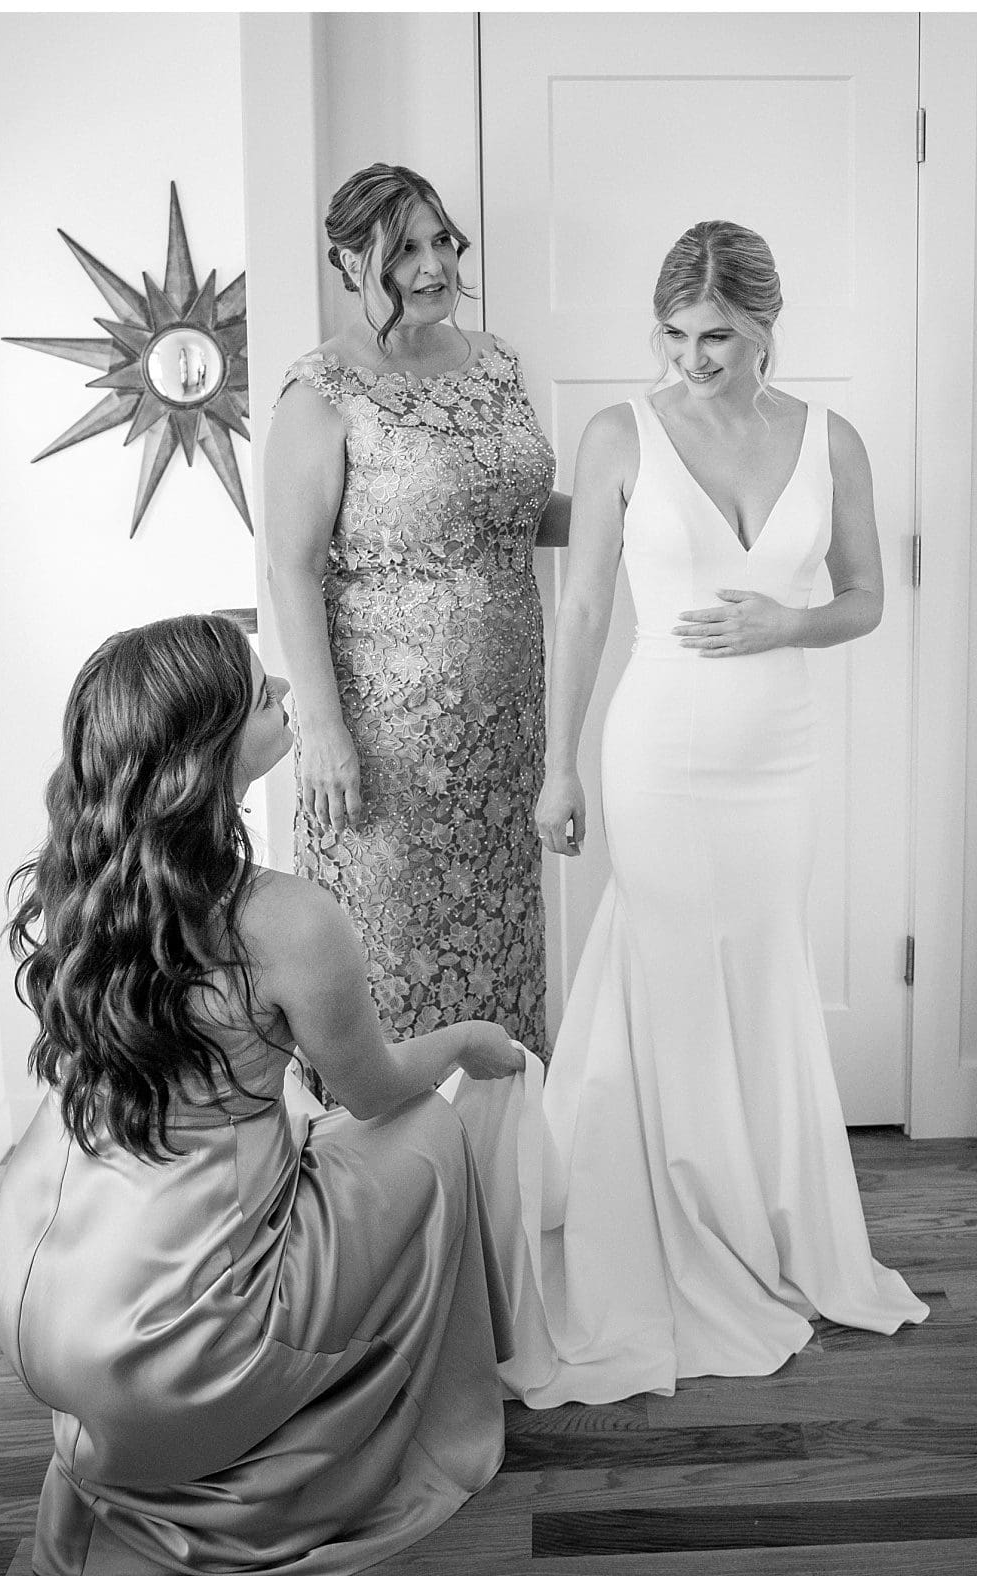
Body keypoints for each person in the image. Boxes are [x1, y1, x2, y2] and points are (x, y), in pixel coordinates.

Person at [0, 613, 532, 1575]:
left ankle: (193, 1428)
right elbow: (375, 1090)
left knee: (295, 1129)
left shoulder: (82, 880)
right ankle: (400, 1409)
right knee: (430, 1133)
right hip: (175, 1338)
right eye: (260, 690)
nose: (283, 692)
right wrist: (469, 1040)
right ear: (205, 754)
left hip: (36, 1286)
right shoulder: (286, 917)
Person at [516, 221, 926, 1406]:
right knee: (674, 973)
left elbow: (863, 599)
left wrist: (783, 624)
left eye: (723, 338)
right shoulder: (619, 435)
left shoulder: (829, 438)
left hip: (781, 757)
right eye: (680, 335)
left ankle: (770, 1222)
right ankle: (675, 1224)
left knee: (763, 970)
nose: (696, 357)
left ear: (766, 329)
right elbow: (585, 607)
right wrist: (561, 765)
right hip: (660, 753)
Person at [265, 164, 567, 1077]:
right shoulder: (322, 390)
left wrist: (638, 503)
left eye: (443, 240)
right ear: (350, 260)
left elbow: (524, 513)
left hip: (503, 743)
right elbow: (292, 564)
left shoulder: (500, 363)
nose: (434, 264)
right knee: (392, 971)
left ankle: (498, 1183)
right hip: (387, 749)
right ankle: (385, 1197)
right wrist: (321, 728)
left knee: (503, 965)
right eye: (405, 249)